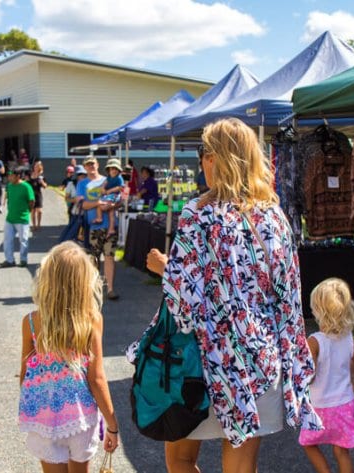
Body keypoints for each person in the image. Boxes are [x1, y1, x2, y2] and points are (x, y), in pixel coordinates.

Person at [144, 118, 321, 473]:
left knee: (180, 460)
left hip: (204, 363)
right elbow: (290, 298)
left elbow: (185, 301)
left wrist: (165, 268)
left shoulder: (199, 214)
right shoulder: (275, 216)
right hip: (259, 360)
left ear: (218, 158)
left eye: (204, 153)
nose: (201, 162)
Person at [19, 241, 119, 472]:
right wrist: (112, 423)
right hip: (79, 417)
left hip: (43, 415)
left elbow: (25, 374)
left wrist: (32, 407)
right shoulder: (91, 320)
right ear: (84, 281)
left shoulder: (32, 322)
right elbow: (97, 378)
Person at [299, 278, 354, 473]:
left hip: (320, 408)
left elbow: (308, 375)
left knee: (308, 443)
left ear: (318, 311)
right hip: (345, 405)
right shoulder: (348, 337)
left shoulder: (314, 341)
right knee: (341, 451)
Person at [77, 156, 119, 300]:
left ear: (97, 164)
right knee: (93, 258)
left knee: (109, 256)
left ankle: (110, 289)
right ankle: (94, 289)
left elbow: (120, 198)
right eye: (87, 165)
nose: (90, 167)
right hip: (93, 226)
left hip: (110, 226)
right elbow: (82, 205)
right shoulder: (82, 184)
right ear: (84, 167)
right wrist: (98, 203)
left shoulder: (107, 180)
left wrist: (113, 205)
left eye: (92, 164)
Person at [0, 170, 34, 268]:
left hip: (22, 219)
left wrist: (28, 212)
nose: (9, 178)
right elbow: (8, 198)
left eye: (11, 176)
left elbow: (31, 201)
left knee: (23, 240)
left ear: (18, 176)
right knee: (7, 240)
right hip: (10, 218)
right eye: (9, 176)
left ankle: (23, 260)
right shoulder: (9, 186)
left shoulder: (26, 187)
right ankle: (10, 260)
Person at [93, 158, 124, 237]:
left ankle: (104, 222)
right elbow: (104, 184)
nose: (114, 171)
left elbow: (120, 187)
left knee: (104, 207)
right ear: (109, 170)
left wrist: (109, 191)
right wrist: (103, 189)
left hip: (114, 196)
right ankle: (110, 228)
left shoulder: (119, 178)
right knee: (110, 212)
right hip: (108, 196)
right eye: (112, 169)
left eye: (115, 169)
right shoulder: (109, 177)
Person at [59, 165, 88, 243]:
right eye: (80, 175)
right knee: (72, 231)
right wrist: (75, 200)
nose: (82, 176)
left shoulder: (88, 184)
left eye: (83, 175)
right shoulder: (71, 184)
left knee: (86, 232)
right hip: (75, 212)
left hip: (87, 211)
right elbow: (67, 198)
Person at [28, 161, 48, 233]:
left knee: (39, 211)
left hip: (38, 194)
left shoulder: (41, 176)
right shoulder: (31, 175)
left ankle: (39, 224)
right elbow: (27, 184)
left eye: (37, 166)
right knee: (33, 211)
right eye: (35, 166)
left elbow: (45, 186)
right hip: (31, 195)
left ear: (40, 167)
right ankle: (34, 225)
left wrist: (42, 182)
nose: (36, 167)